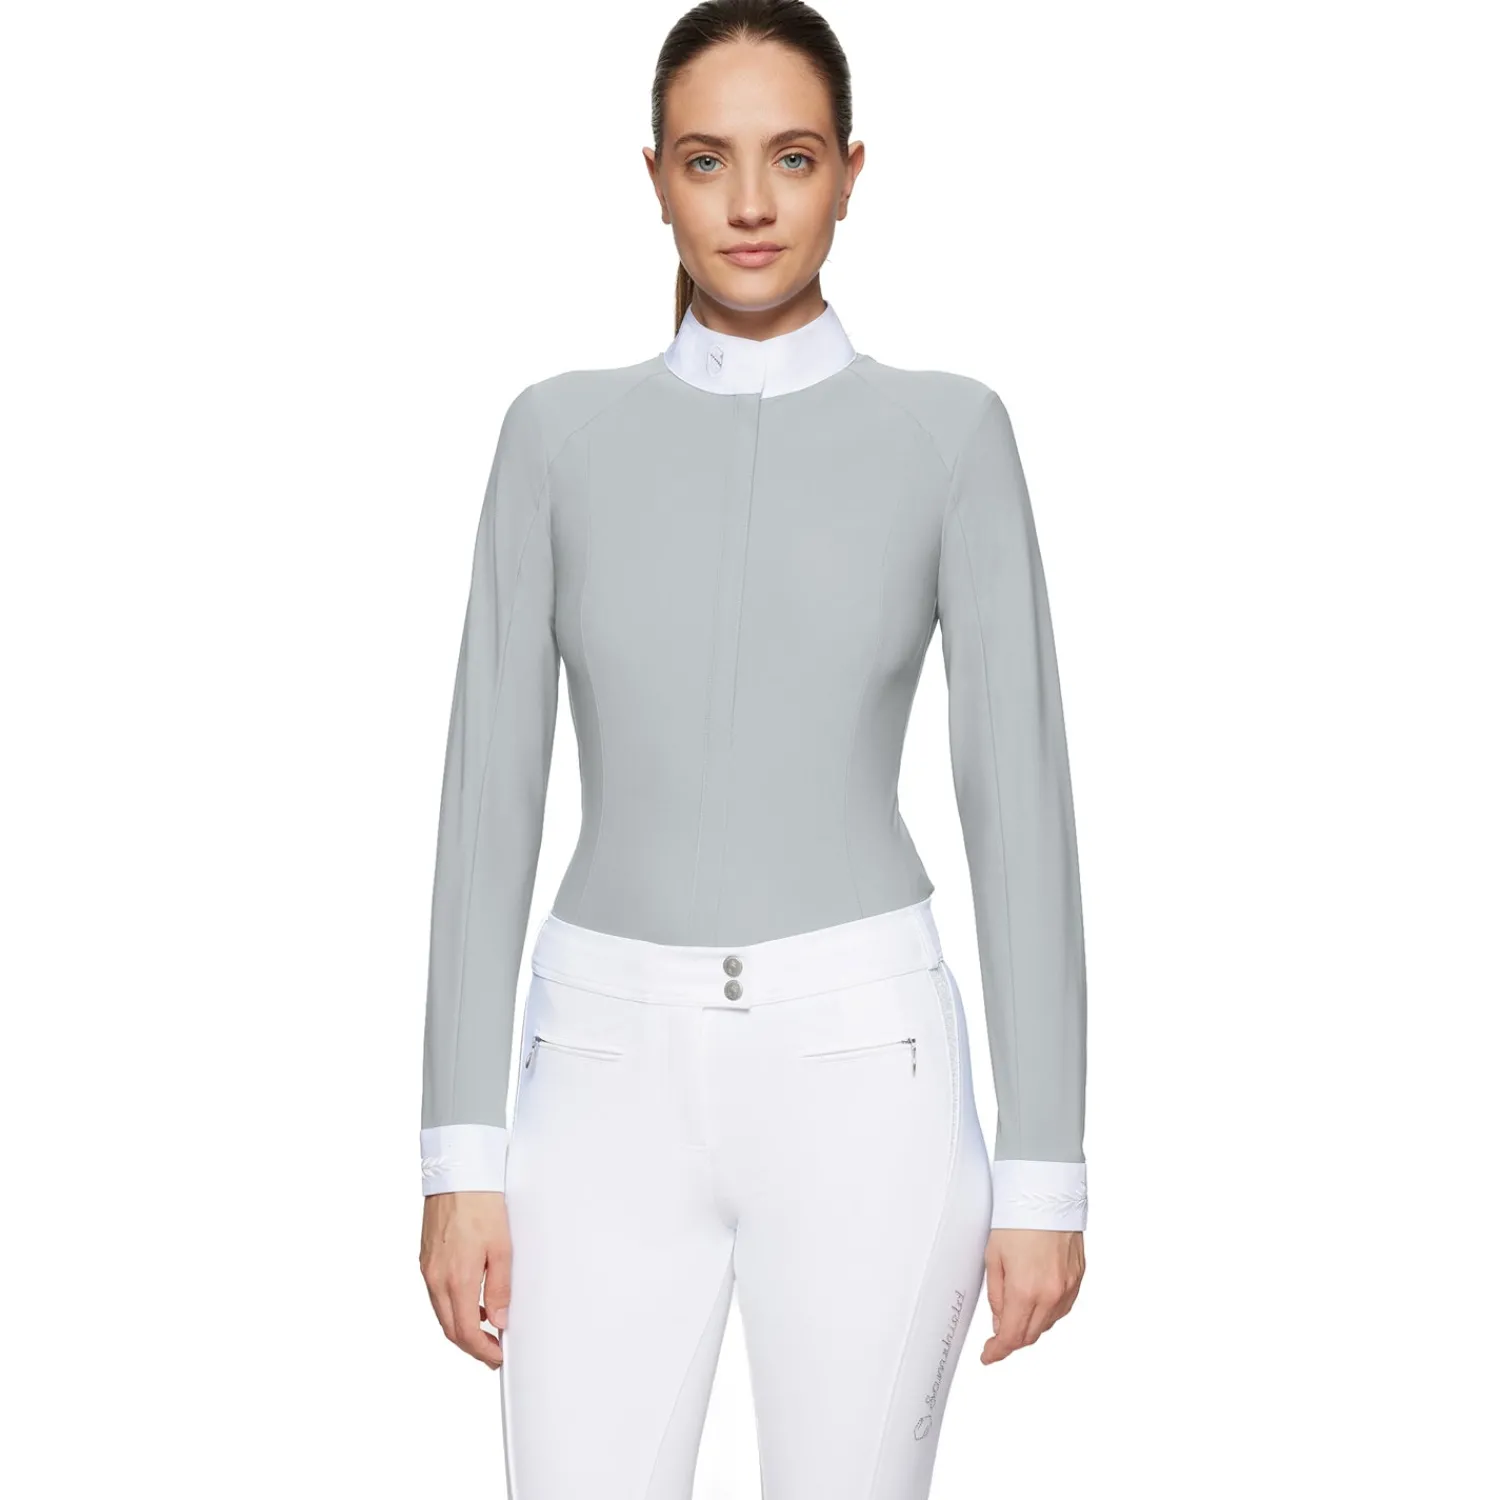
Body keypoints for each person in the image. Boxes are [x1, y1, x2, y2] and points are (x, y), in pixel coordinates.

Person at [417, 2, 1088, 1494]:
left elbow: (1021, 806)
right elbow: (487, 804)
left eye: (791, 157)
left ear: (851, 173)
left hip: (867, 1068)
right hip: (597, 1072)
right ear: (655, 177)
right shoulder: (555, 438)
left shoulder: (950, 436)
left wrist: (1047, 1164)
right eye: (706, 159)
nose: (750, 203)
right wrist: (457, 1154)